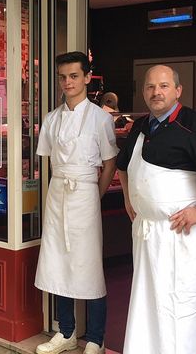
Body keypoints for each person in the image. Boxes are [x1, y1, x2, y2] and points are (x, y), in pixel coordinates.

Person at [116, 65, 196, 354]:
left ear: (177, 90)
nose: (156, 92)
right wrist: (128, 198)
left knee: (182, 306)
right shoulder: (140, 127)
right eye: (150, 87)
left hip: (180, 235)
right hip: (147, 235)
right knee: (148, 303)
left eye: (163, 86)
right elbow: (123, 167)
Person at [35, 51, 118, 354]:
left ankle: (96, 337)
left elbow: (109, 164)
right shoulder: (51, 119)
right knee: (58, 263)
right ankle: (66, 332)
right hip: (57, 193)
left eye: (74, 76)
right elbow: (48, 162)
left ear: (86, 77)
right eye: (63, 77)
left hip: (85, 192)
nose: (68, 82)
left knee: (89, 265)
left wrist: (94, 196)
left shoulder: (100, 118)